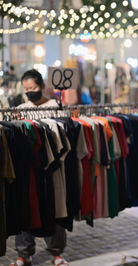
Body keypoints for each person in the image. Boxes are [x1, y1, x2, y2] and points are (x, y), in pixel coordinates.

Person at [11, 69, 69, 266]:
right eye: (26, 89)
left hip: (52, 167)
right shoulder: (20, 109)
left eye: (33, 88)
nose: (30, 92)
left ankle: (57, 252)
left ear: (43, 86)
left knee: (54, 207)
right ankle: (24, 254)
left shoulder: (56, 107)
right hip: (27, 167)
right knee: (27, 207)